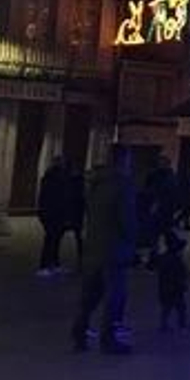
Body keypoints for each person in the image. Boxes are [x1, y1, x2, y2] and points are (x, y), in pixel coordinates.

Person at [71, 144, 137, 355]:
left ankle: (79, 332)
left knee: (90, 294)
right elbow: (126, 219)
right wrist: (135, 238)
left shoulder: (95, 184)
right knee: (115, 295)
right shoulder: (122, 185)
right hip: (114, 248)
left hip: (93, 245)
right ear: (123, 160)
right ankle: (109, 338)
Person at [36, 159, 71, 277]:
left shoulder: (51, 178)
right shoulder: (54, 179)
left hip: (53, 213)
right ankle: (45, 265)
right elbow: (53, 198)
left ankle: (53, 264)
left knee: (54, 240)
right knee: (51, 239)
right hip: (53, 213)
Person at [154, 230, 189, 332]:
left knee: (167, 308)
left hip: (165, 289)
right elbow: (179, 275)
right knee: (180, 307)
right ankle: (181, 324)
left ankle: (164, 324)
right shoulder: (176, 261)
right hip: (175, 289)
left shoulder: (164, 259)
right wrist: (182, 284)